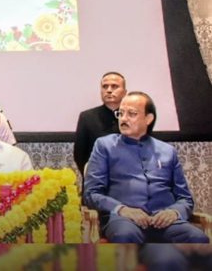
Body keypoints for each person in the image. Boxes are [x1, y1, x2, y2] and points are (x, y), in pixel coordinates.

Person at [84, 91, 209, 244]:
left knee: (198, 238)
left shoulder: (167, 151)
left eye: (132, 114)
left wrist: (174, 212)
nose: (123, 119)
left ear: (148, 119)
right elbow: (92, 193)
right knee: (125, 236)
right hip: (124, 220)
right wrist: (123, 209)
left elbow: (185, 199)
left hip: (165, 222)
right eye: (121, 113)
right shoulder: (104, 146)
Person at [73, 71, 127, 174]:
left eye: (114, 86)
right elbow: (80, 155)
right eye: (105, 87)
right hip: (96, 180)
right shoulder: (87, 117)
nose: (109, 90)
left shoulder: (133, 116)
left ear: (124, 92)